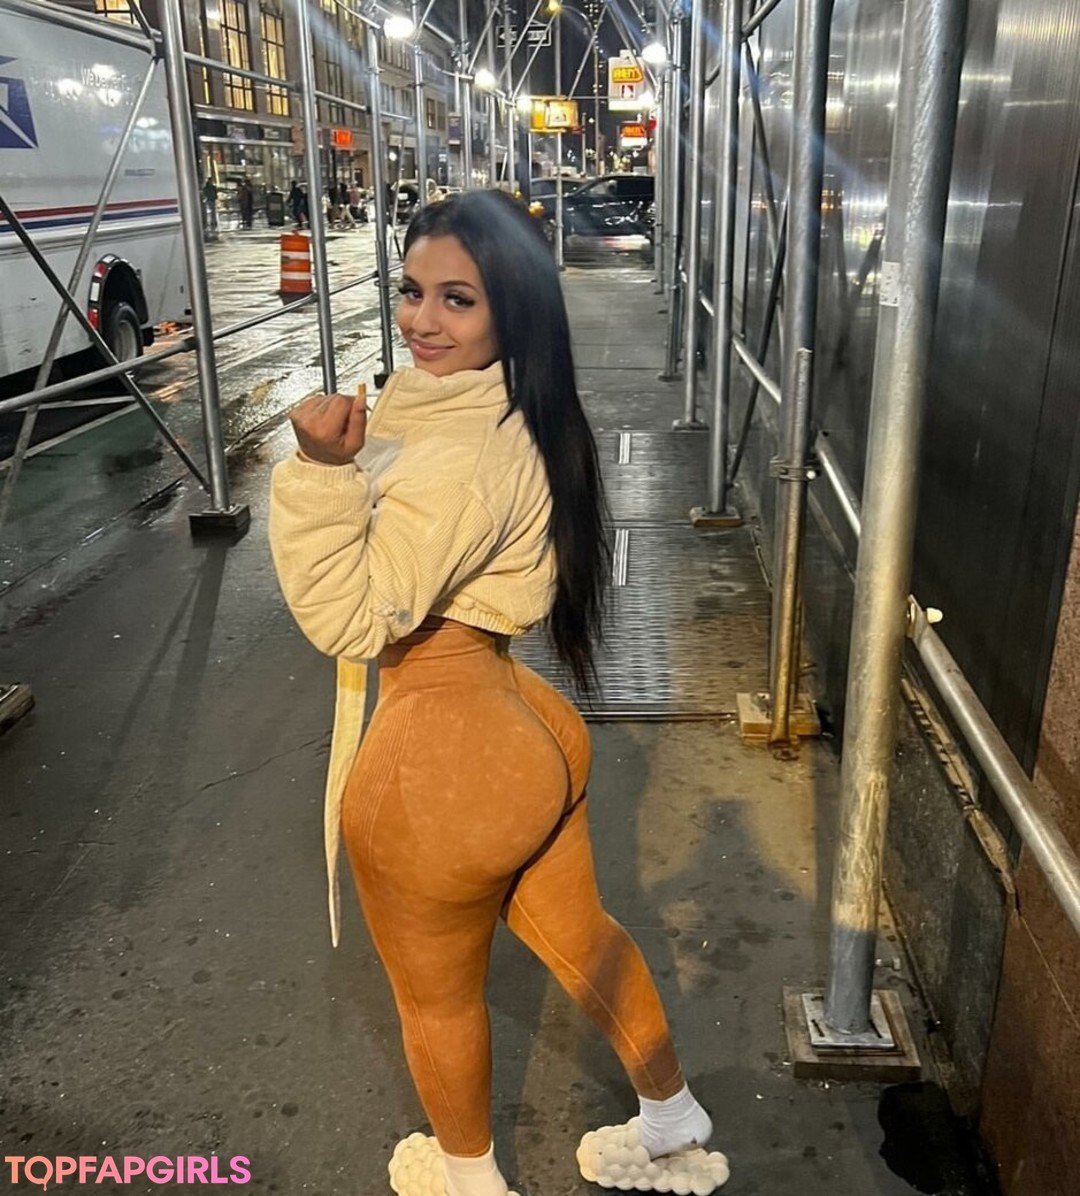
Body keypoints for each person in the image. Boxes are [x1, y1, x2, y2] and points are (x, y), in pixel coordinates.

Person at [268, 191, 727, 1196]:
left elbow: (356, 618)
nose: (422, 319)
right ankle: (670, 1111)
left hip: (441, 751)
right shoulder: (502, 407)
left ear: (510, 309)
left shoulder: (460, 454)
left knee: (436, 1001)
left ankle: (472, 1179)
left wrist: (316, 473)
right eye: (411, 290)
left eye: (458, 299)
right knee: (582, 935)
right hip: (523, 721)